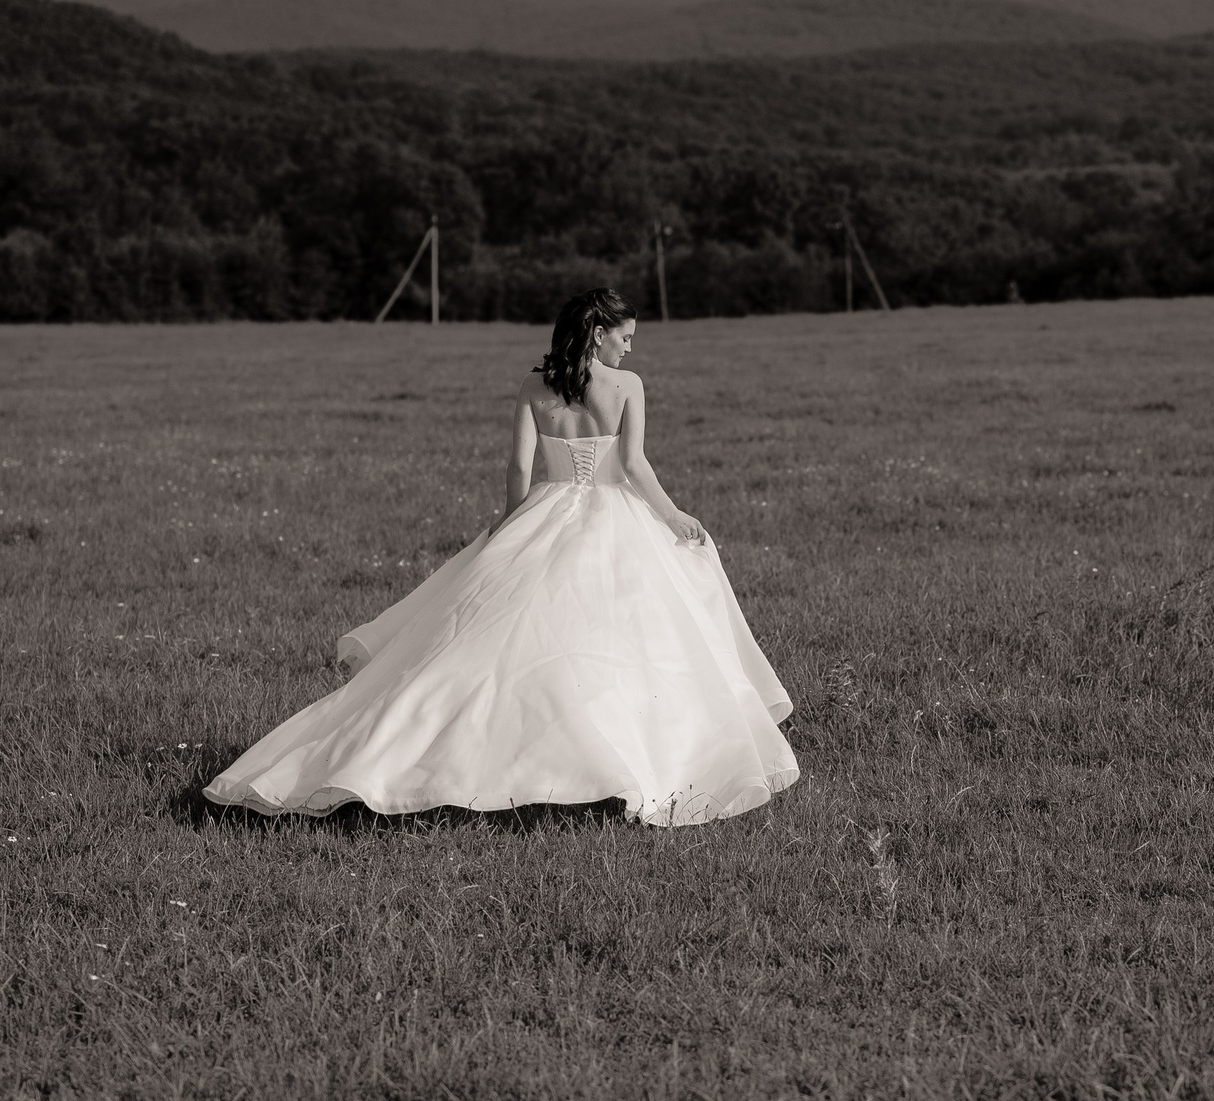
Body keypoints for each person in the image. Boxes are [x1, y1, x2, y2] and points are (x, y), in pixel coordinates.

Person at [204, 287, 799, 827]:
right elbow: (635, 465)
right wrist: (672, 518)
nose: (629, 348)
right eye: (625, 336)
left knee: (502, 641)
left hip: (544, 510)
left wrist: (508, 530)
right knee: (620, 639)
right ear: (599, 333)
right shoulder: (628, 387)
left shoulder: (535, 386)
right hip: (616, 514)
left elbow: (519, 469)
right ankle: (611, 765)